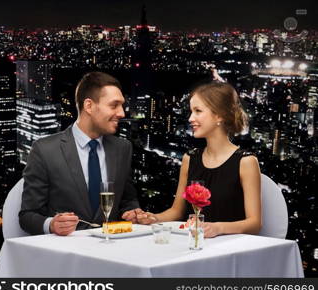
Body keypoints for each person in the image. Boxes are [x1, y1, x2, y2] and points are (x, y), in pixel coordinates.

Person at [19, 72, 142, 236]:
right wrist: (51, 225)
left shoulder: (123, 148)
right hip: (66, 255)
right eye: (114, 105)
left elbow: (128, 200)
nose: (122, 113)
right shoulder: (44, 150)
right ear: (89, 106)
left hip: (112, 252)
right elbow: (27, 216)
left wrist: (133, 212)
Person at [137, 81, 262, 237]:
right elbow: (176, 211)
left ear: (220, 115)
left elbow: (254, 223)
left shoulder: (246, 162)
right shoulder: (190, 159)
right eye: (191, 111)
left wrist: (217, 228)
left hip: (230, 249)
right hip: (194, 244)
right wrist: (154, 218)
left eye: (198, 111)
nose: (190, 118)